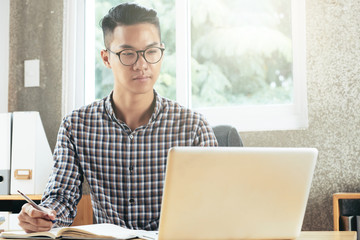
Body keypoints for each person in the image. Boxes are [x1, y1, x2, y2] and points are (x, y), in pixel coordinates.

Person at [18, 2, 218, 233]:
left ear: (161, 52)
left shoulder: (193, 127)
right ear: (106, 58)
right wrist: (43, 216)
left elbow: (212, 203)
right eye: (128, 54)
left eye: (151, 51)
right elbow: (61, 199)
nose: (141, 64)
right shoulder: (76, 126)